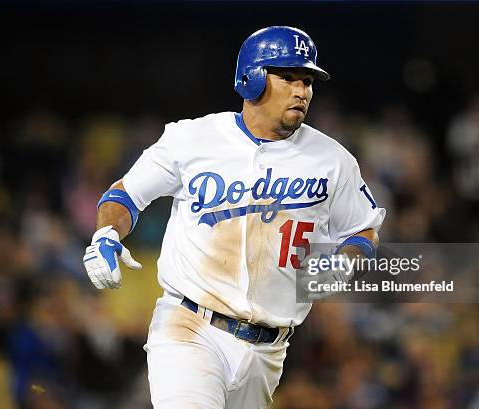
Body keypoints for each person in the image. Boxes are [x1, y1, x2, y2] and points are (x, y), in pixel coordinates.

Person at [83, 26, 385, 409]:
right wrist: (106, 234)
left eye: (307, 80)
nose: (302, 90)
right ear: (252, 78)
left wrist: (346, 260)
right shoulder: (192, 139)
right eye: (288, 76)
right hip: (190, 327)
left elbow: (363, 228)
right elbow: (125, 194)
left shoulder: (333, 159)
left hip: (269, 350)